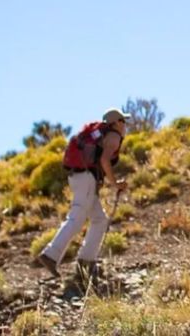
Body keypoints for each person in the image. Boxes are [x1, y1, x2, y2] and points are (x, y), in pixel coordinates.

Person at [37, 108, 129, 279]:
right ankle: (50, 255)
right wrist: (115, 183)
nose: (125, 125)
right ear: (116, 122)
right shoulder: (113, 136)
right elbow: (104, 160)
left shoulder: (97, 134)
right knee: (76, 218)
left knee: (99, 220)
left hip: (79, 178)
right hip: (86, 179)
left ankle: (85, 263)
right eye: (123, 121)